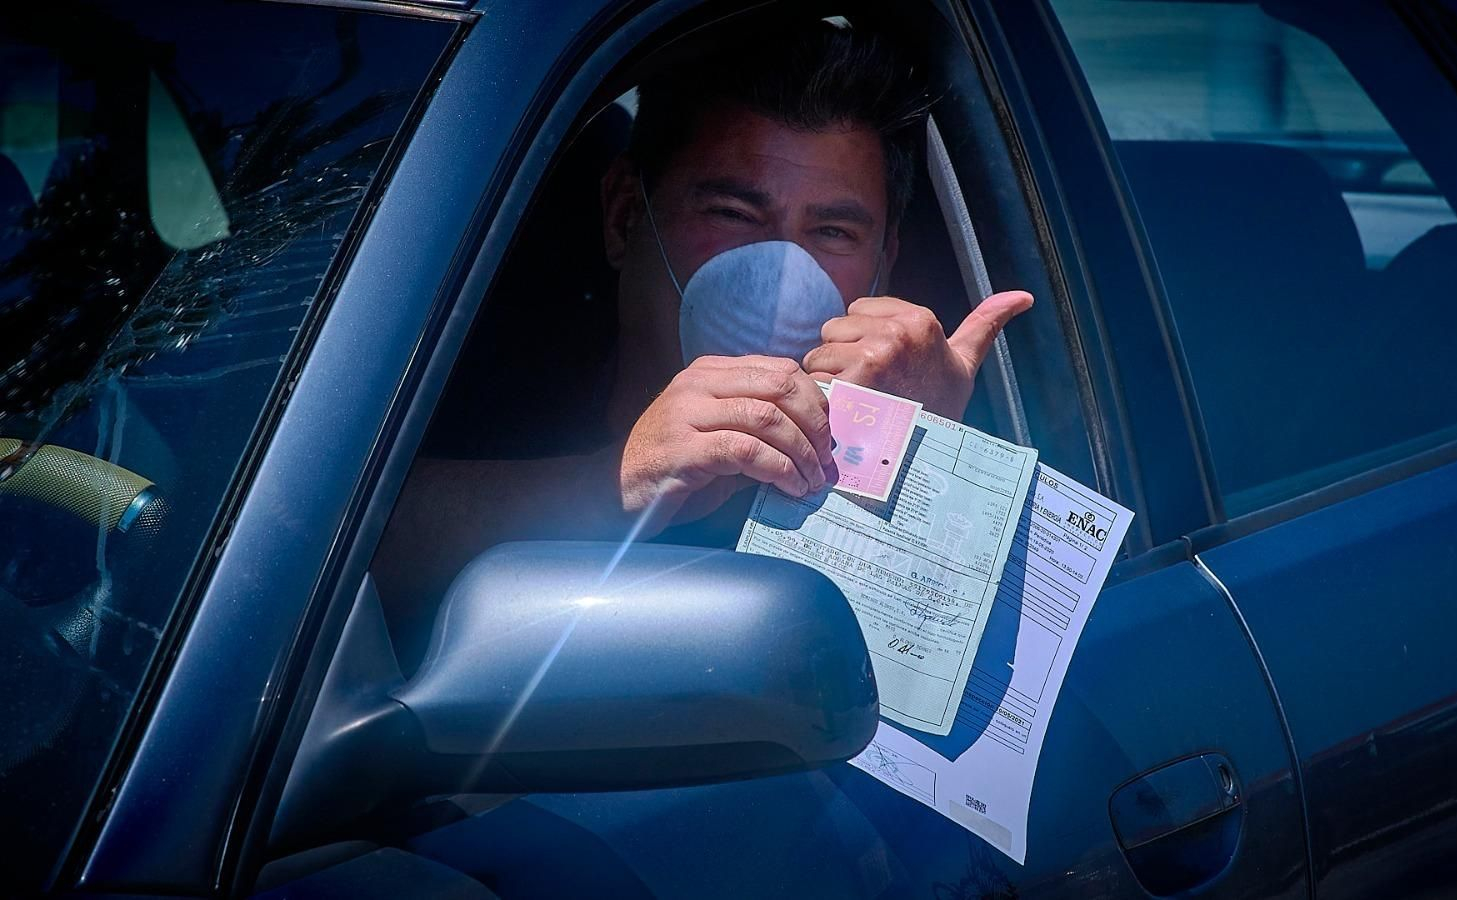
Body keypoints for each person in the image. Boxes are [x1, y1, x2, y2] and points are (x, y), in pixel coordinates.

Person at [374, 18, 1031, 621]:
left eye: (832, 230)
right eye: (732, 214)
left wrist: (928, 463)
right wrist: (614, 482)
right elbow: (339, 554)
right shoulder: (451, 385)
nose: (781, 270)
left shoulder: (933, 410)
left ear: (883, 265)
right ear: (625, 216)